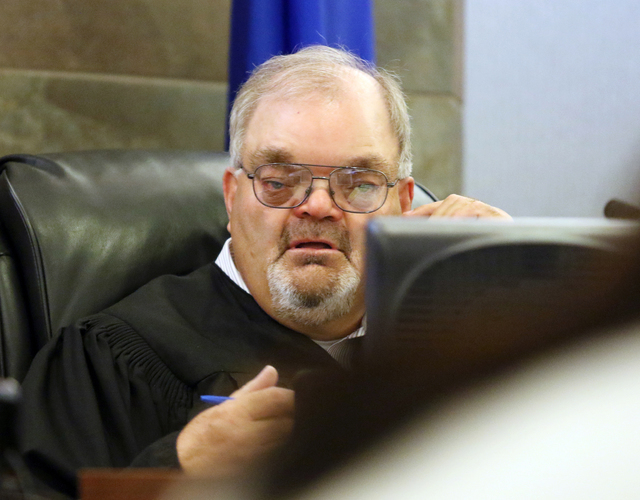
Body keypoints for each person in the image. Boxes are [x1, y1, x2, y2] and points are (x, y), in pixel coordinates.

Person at [17, 45, 510, 498]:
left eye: (358, 183)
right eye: (279, 181)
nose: (318, 206)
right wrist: (180, 467)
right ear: (232, 198)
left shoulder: (452, 350)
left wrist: (524, 285)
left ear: (402, 204)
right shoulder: (112, 361)